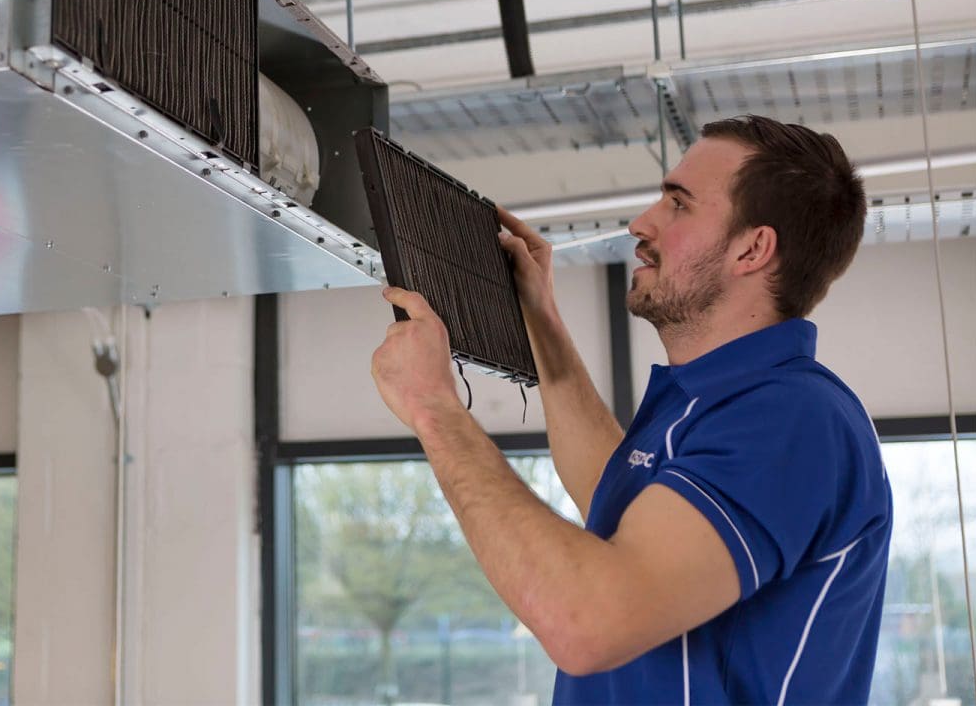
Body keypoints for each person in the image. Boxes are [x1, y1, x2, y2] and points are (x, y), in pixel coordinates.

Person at [370, 114, 892, 704]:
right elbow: (615, 502)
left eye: (678, 204)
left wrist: (434, 408)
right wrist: (541, 319)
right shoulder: (711, 402)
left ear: (752, 249)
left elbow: (585, 623)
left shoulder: (790, 417)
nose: (641, 223)